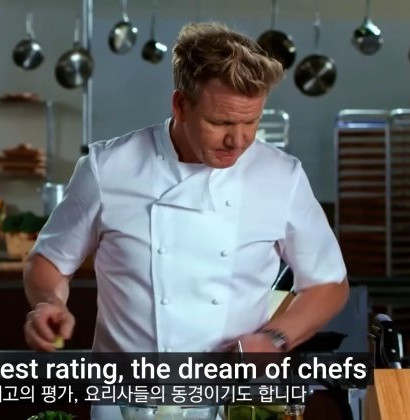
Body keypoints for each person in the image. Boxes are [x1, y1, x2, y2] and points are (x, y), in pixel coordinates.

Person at [23, 21, 349, 418]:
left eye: (251, 122)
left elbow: (328, 284)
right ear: (180, 105)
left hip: (233, 402)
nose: (238, 140)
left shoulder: (282, 176)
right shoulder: (108, 168)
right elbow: (49, 261)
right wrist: (48, 302)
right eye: (221, 123)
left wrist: (275, 339)